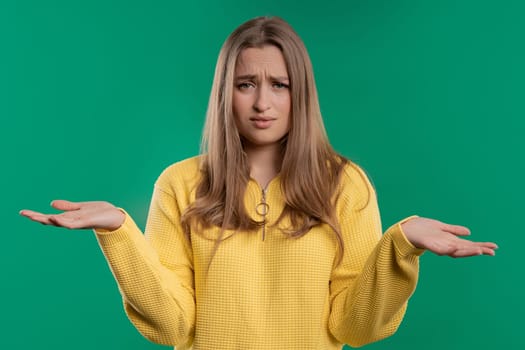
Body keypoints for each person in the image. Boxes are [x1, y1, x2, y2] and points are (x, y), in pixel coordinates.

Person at [20, 16, 497, 350]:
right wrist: (119, 231)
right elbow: (172, 326)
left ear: (300, 92)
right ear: (225, 91)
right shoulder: (181, 183)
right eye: (246, 84)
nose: (262, 103)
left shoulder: (346, 184)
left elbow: (355, 326)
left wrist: (401, 245)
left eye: (279, 85)